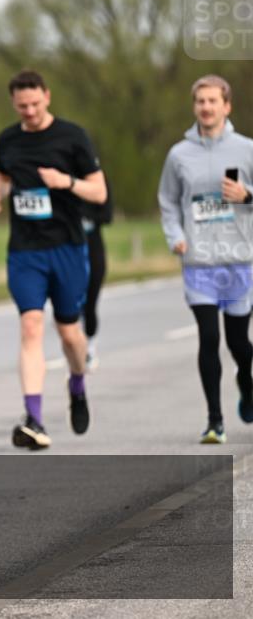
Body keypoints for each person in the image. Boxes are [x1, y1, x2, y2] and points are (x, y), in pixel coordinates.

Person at [0, 70, 107, 451]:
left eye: (36, 104)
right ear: (14, 105)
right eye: (23, 106)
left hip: (68, 248)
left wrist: (66, 182)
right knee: (31, 325)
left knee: (70, 333)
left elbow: (99, 192)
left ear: (47, 97)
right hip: (25, 251)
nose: (31, 111)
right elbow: (2, 176)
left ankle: (77, 382)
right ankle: (34, 418)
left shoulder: (73, 137)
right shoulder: (7, 139)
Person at [158, 74, 253, 444]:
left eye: (213, 101)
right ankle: (215, 420)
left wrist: (246, 196)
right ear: (194, 106)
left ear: (226, 106)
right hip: (199, 262)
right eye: (200, 101)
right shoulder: (179, 154)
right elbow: (167, 201)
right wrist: (175, 236)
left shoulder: (246, 149)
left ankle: (247, 382)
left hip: (239, 259)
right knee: (208, 337)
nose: (206, 107)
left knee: (239, 343)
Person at [80, 173, 113, 370]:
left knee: (90, 301)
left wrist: (82, 214)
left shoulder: (99, 180)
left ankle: (90, 347)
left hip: (93, 248)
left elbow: (107, 215)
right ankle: (75, 347)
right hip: (68, 249)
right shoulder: (62, 178)